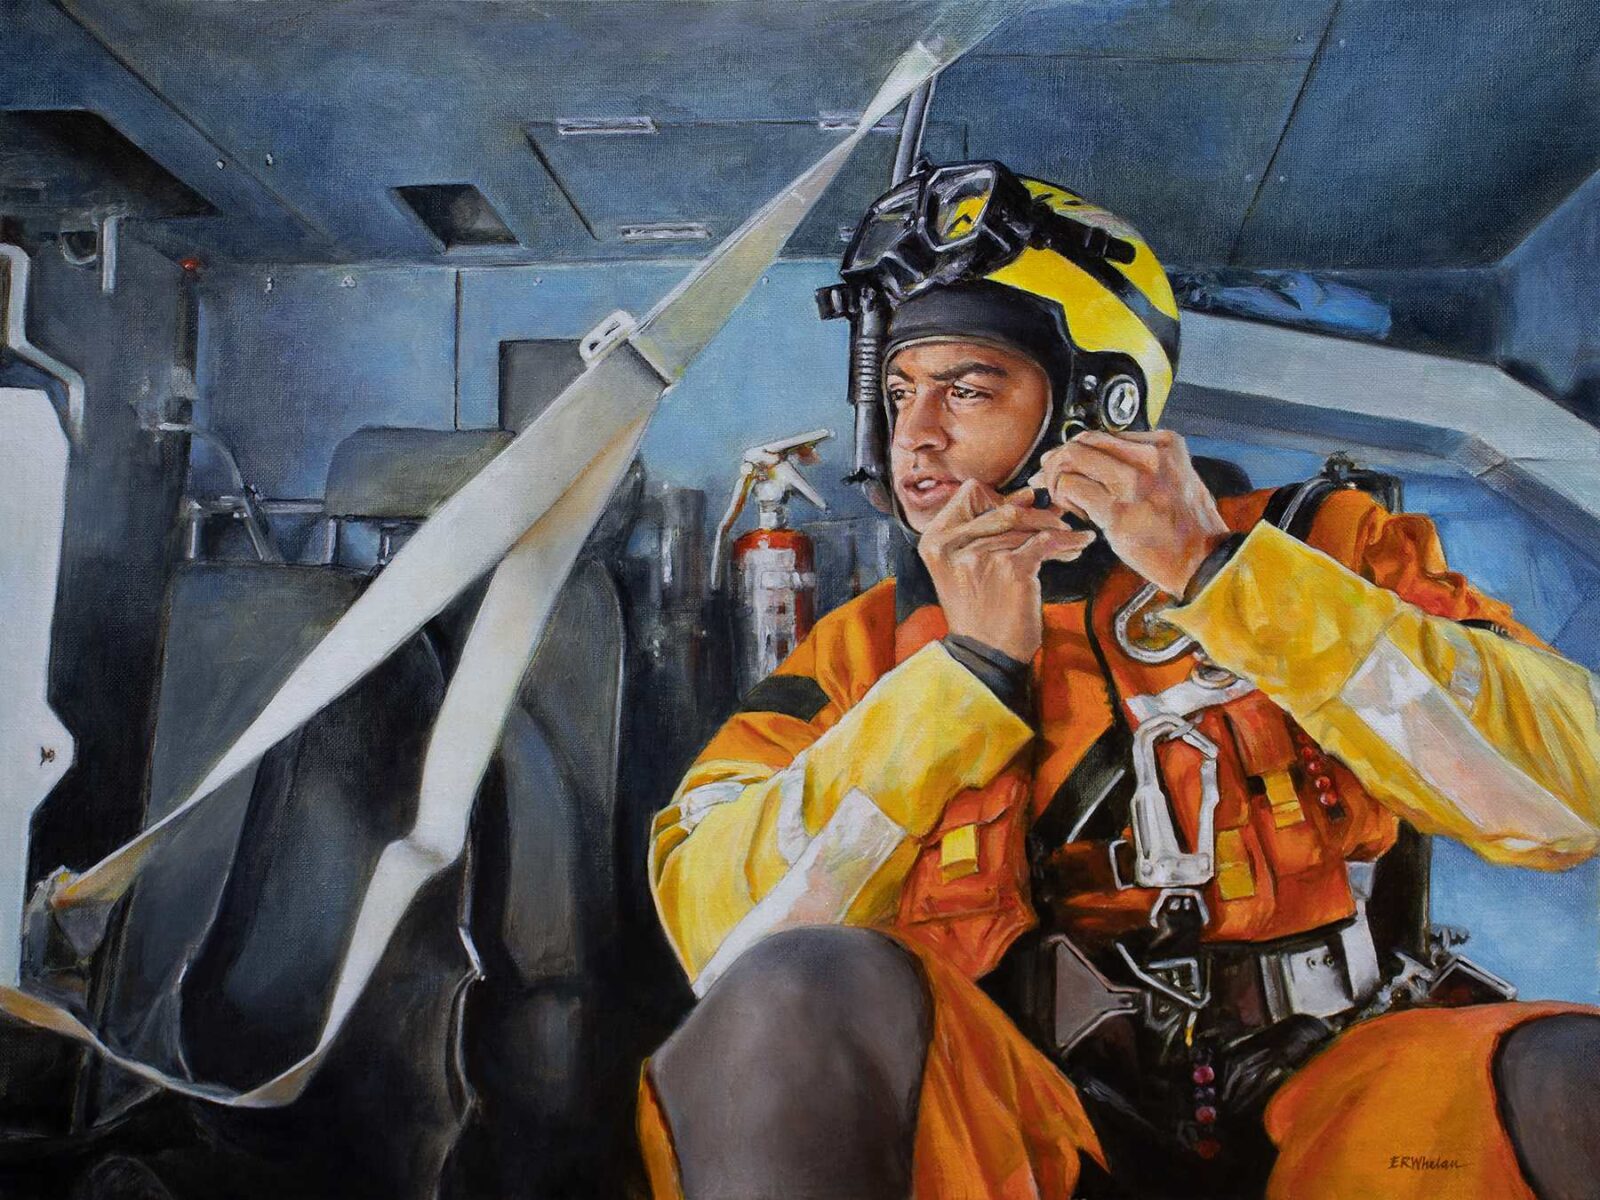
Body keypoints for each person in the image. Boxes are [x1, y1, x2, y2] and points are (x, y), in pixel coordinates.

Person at [636, 161, 1600, 1199]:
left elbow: (1572, 795)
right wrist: (964, 676)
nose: (915, 435)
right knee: (798, 996)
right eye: (900, 392)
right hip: (1033, 1130)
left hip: (1341, 1104)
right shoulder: (865, 650)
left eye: (967, 389)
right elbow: (721, 944)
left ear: (1101, 399)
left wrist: (1224, 579)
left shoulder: (1322, 547)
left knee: (1566, 1081)